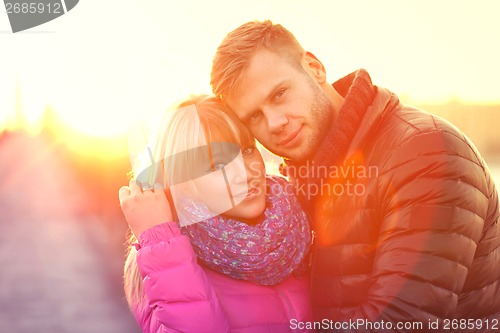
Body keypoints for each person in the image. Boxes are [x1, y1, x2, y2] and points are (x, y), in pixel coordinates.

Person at [210, 20, 500, 330]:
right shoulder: (301, 183)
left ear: (314, 67)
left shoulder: (425, 152)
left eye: (279, 94)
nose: (274, 122)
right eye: (254, 116)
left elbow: (400, 320)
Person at [119, 95, 315, 333]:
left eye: (246, 151)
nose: (244, 173)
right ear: (182, 182)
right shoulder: (161, 263)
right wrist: (161, 244)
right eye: (217, 166)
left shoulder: (296, 224)